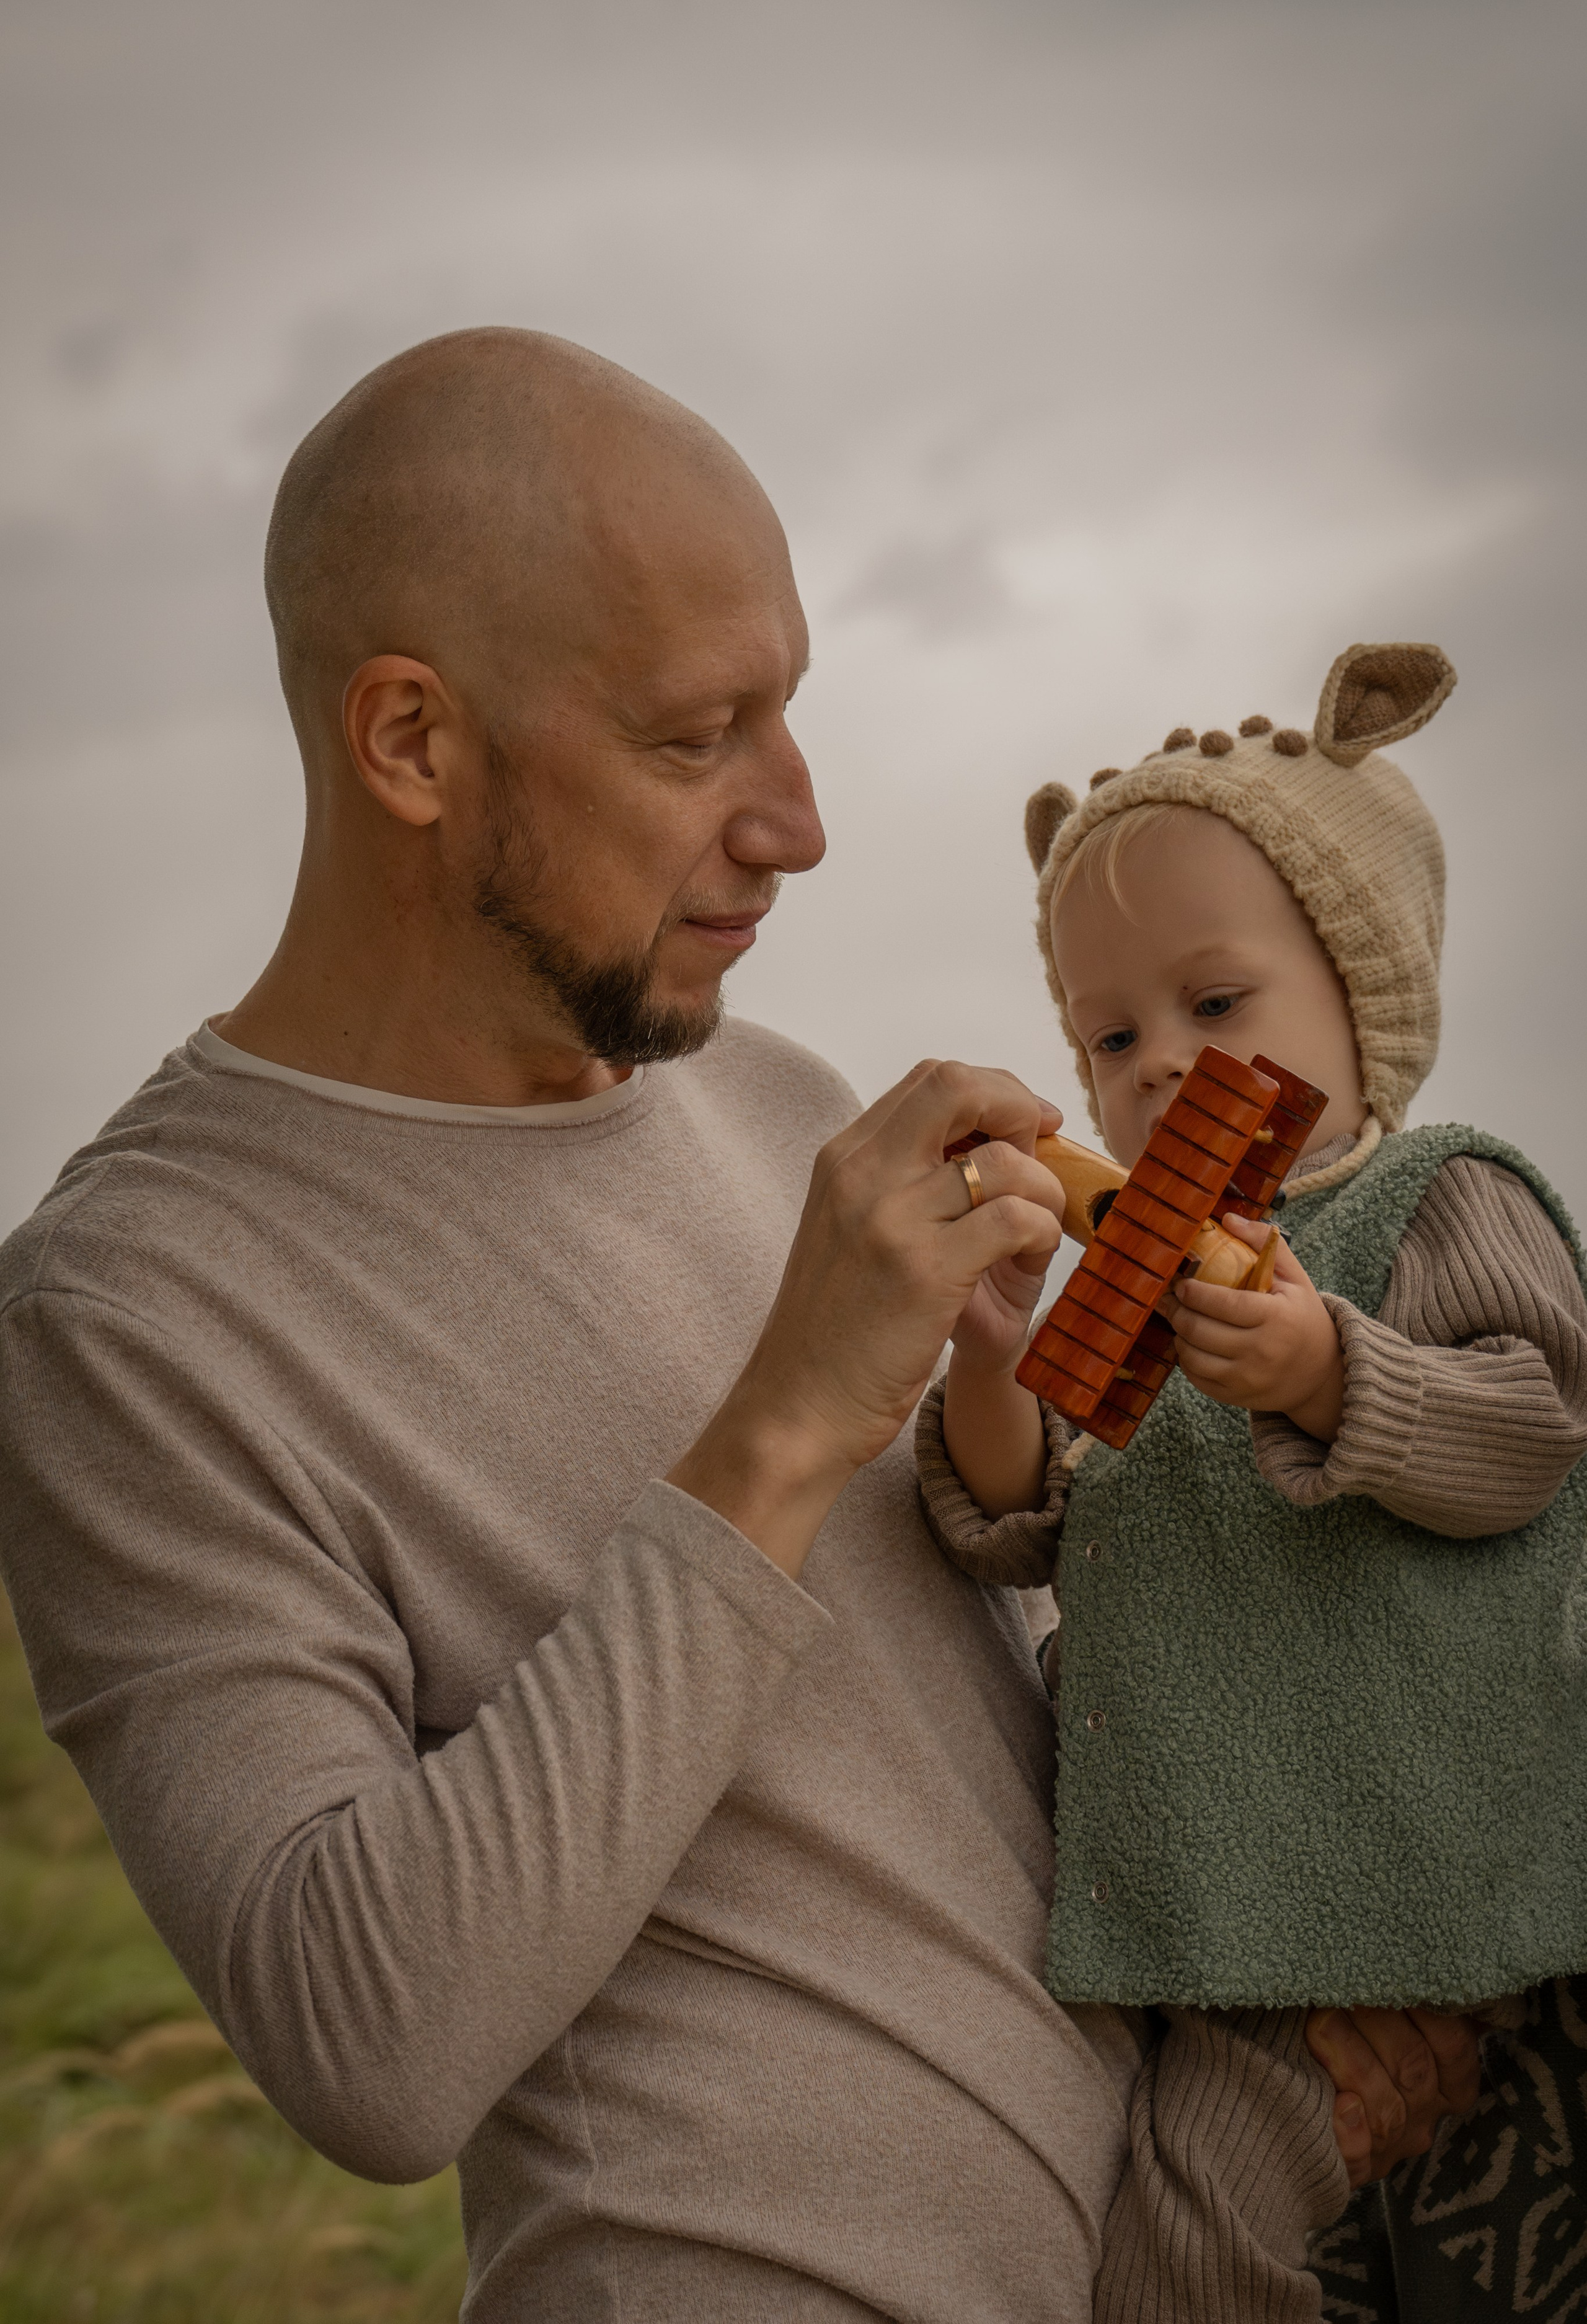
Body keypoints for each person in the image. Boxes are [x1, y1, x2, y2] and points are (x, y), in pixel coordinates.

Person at [0, 335, 1469, 2322]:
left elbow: (1014, 1756)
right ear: (413, 742)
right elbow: (368, 2043)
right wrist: (779, 1427)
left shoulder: (779, 1102)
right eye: (701, 738)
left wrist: (1330, 1994)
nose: (799, 822)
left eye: (790, 711)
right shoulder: (128, 1314)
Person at [922, 640, 1587, 2318]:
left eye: (1215, 1007)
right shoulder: (1131, 1274)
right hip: (1207, 1894)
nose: (1156, 1062)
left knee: (1201, 2256)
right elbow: (1022, 1525)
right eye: (1111, 1033)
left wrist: (1325, 1369)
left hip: (1382, 1873)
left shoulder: (1437, 1198)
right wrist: (991, 1359)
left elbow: (1533, 1433)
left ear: (1362, 1001)